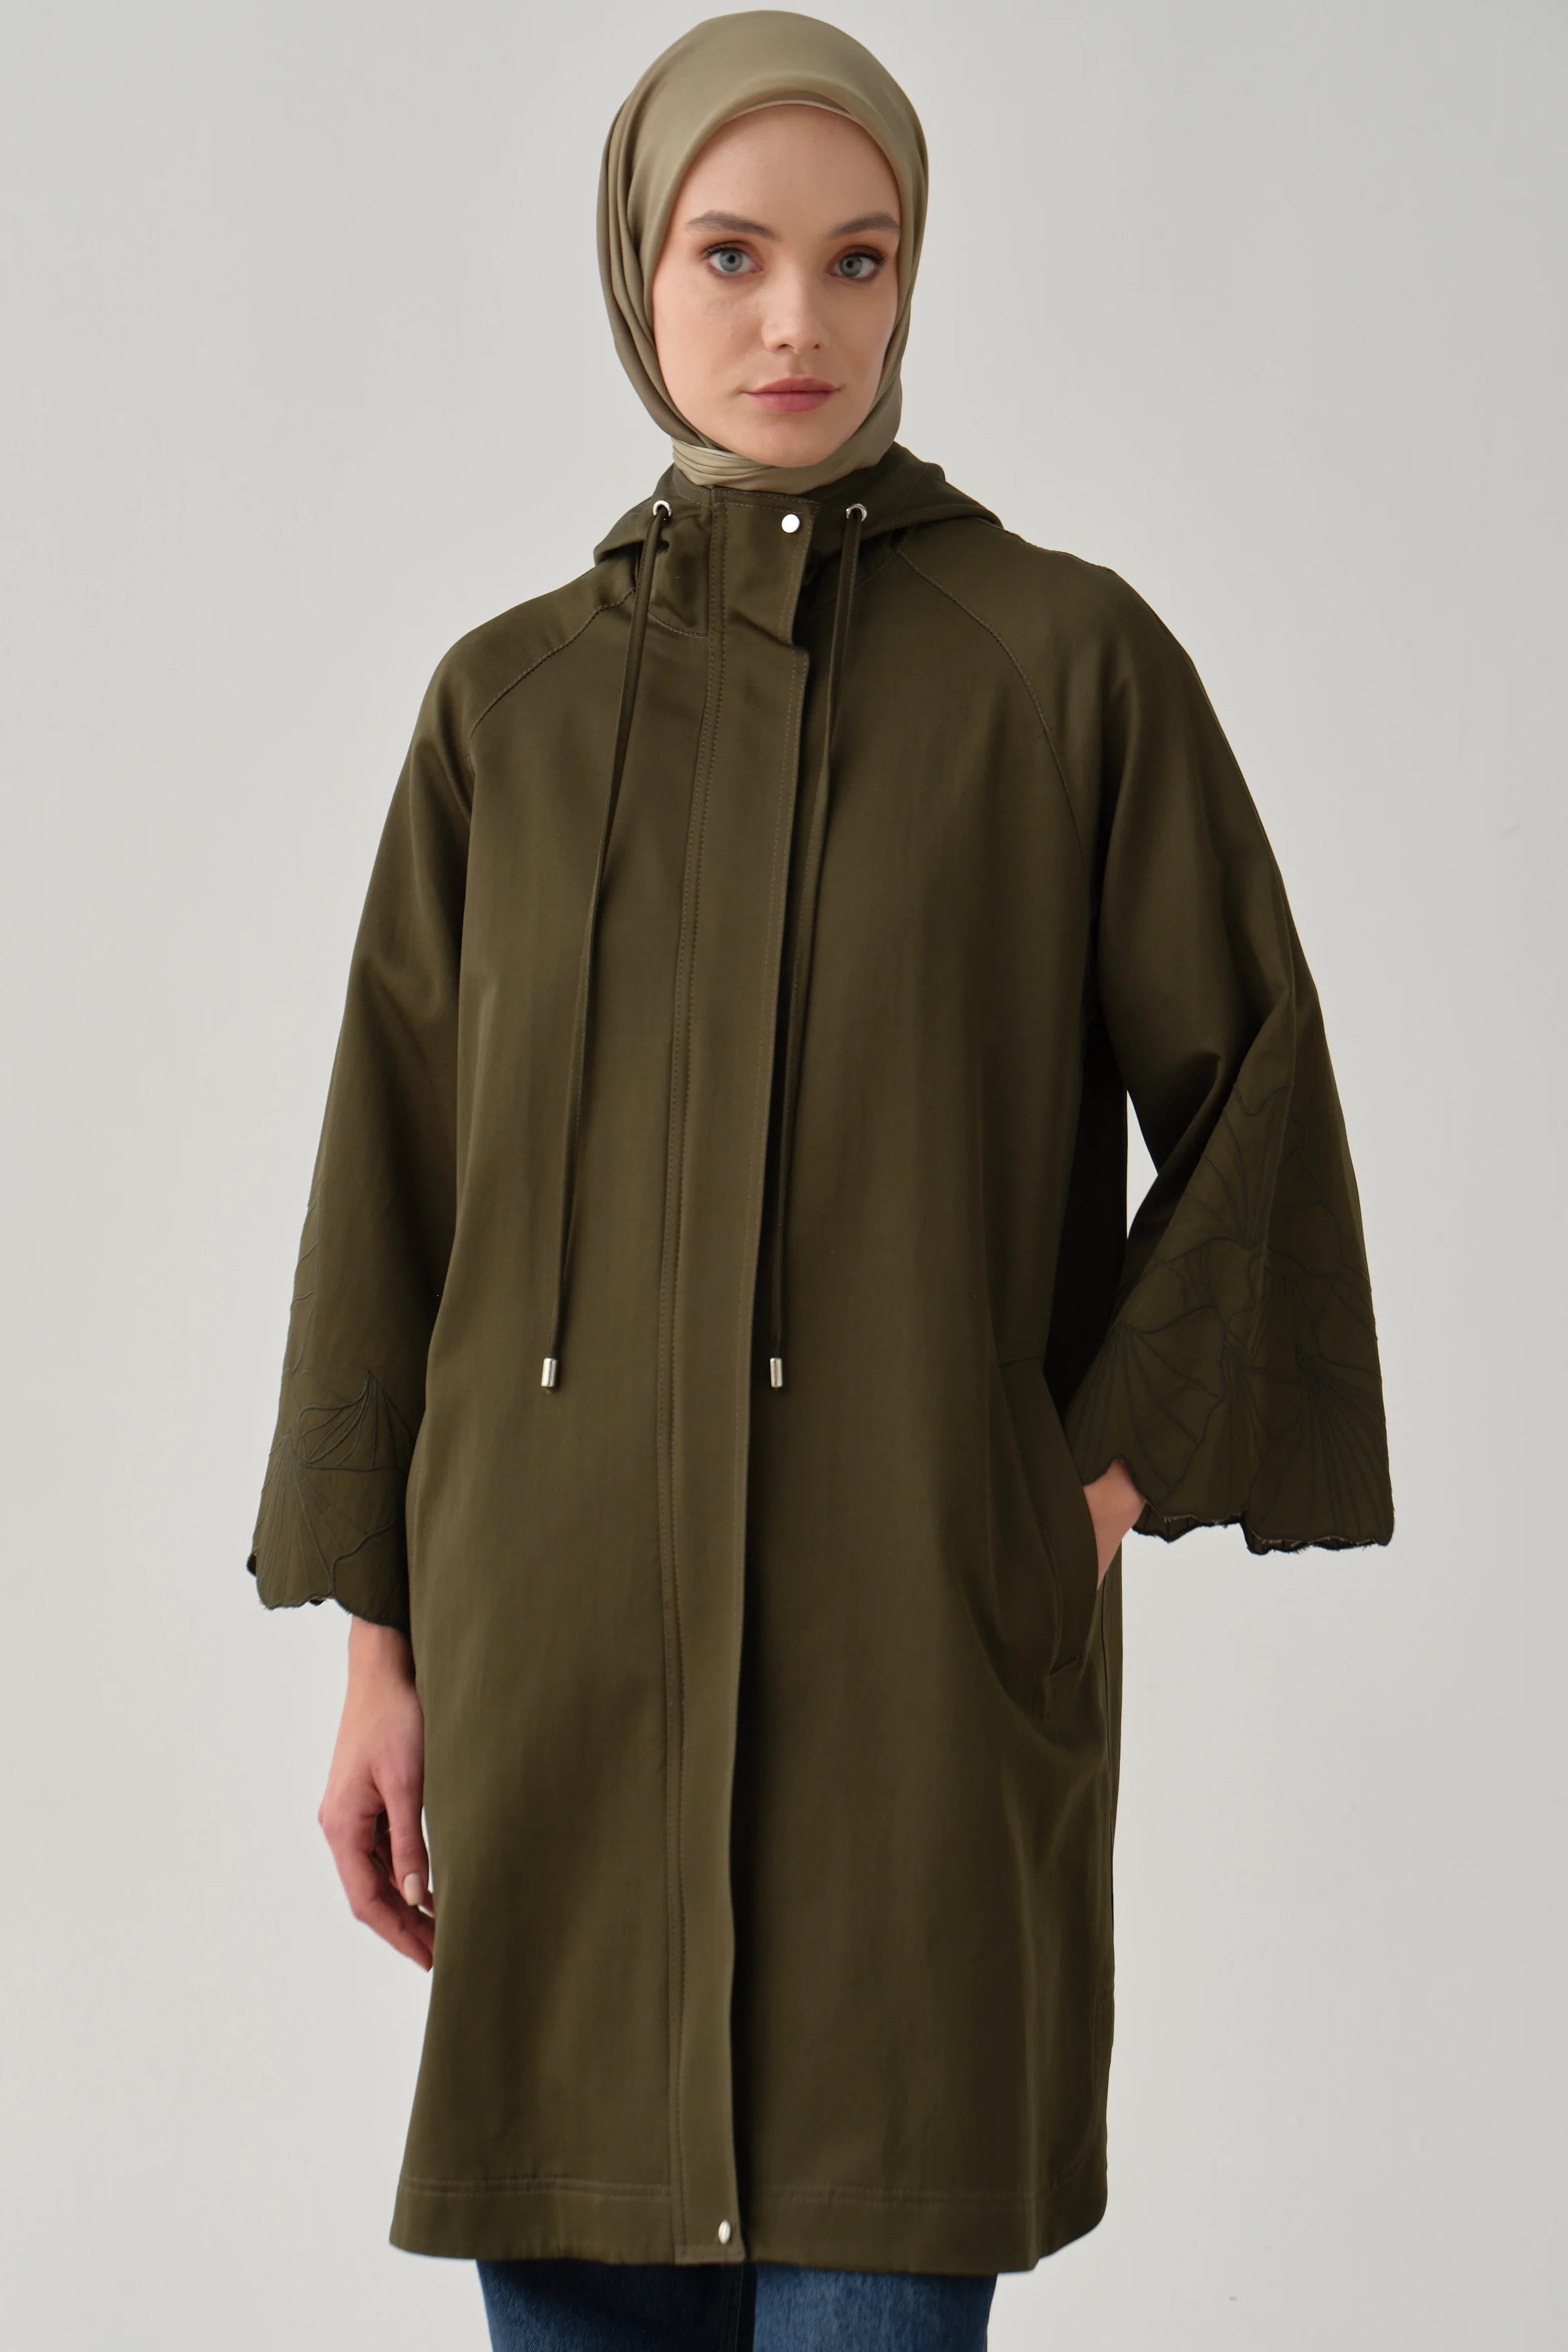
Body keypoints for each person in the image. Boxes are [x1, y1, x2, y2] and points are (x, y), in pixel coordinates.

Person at [245, 12, 1395, 2350]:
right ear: (635, 270)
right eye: (732, 254)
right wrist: (384, 1652)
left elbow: (1261, 1099)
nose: (798, 321)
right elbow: (395, 1196)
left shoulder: (1062, 668)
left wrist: (1075, 1486)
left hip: (910, 1702)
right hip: (556, 1707)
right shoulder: (505, 714)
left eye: (857, 259)